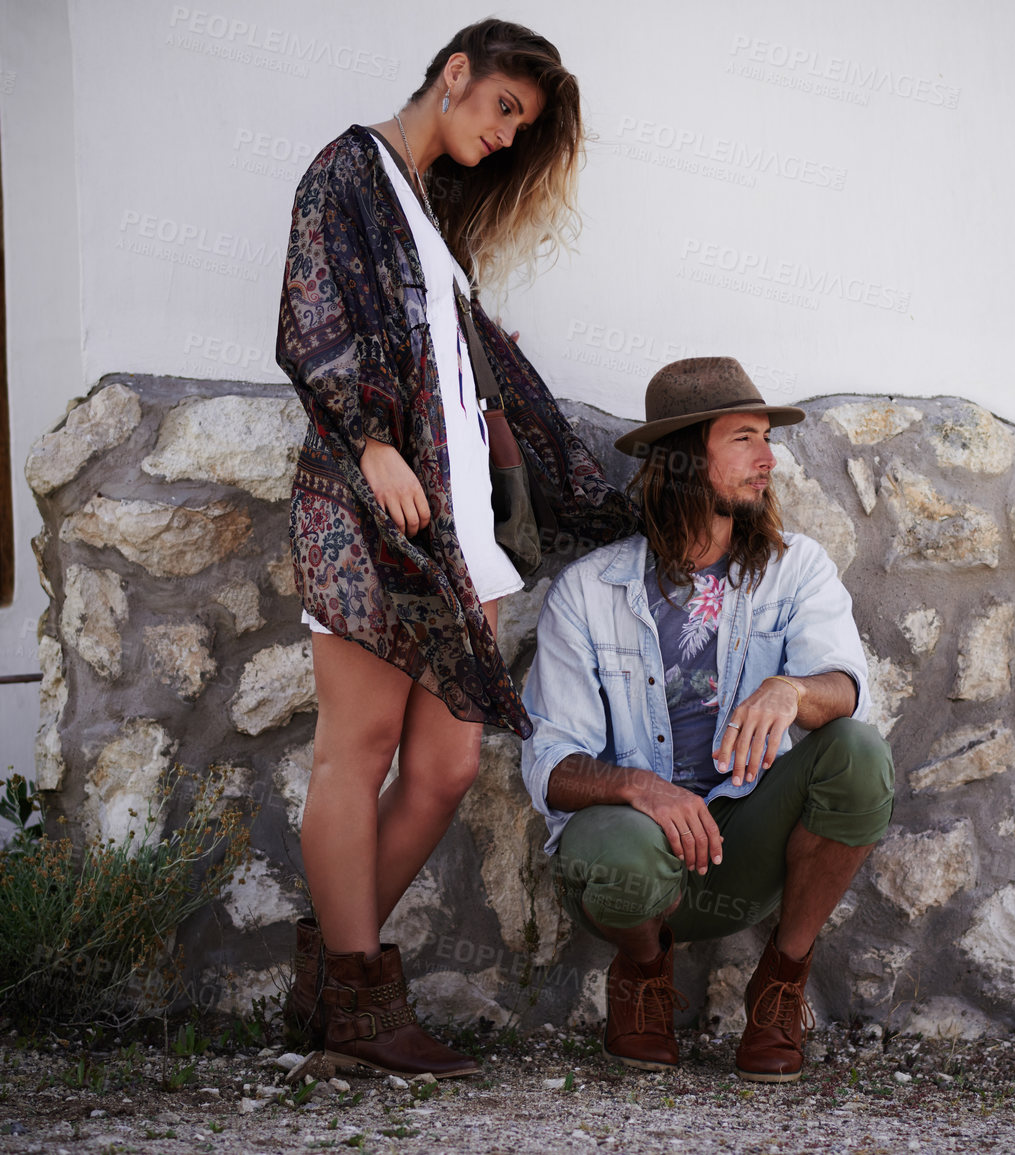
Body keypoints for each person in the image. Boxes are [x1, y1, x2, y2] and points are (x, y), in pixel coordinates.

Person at [276, 18, 637, 1079]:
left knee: (446, 763)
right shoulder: (349, 169)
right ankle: (360, 1004)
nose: (507, 136)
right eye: (504, 110)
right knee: (361, 749)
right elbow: (313, 310)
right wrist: (371, 438)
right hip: (372, 502)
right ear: (455, 73)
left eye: (521, 126)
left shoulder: (427, 208)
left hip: (453, 522)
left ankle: (330, 986)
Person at [520, 357, 895, 1083]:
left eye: (766, 438)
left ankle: (781, 980)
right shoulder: (589, 593)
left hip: (747, 850)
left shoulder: (796, 569)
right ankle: (643, 970)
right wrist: (641, 789)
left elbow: (845, 688)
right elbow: (549, 763)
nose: (767, 459)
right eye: (744, 439)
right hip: (634, 862)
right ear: (685, 461)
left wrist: (790, 690)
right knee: (618, 849)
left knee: (858, 753)